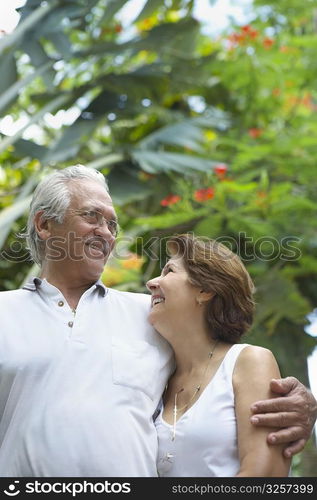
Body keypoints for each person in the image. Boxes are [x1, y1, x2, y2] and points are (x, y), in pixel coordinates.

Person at [0, 165, 315, 477]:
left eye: (113, 224)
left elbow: (219, 368)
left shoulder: (154, 317)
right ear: (44, 225)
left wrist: (300, 404)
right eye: (92, 216)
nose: (107, 232)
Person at [146, 233, 315, 477]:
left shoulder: (249, 361)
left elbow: (264, 476)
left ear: (204, 289)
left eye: (169, 271)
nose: (151, 282)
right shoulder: (157, 380)